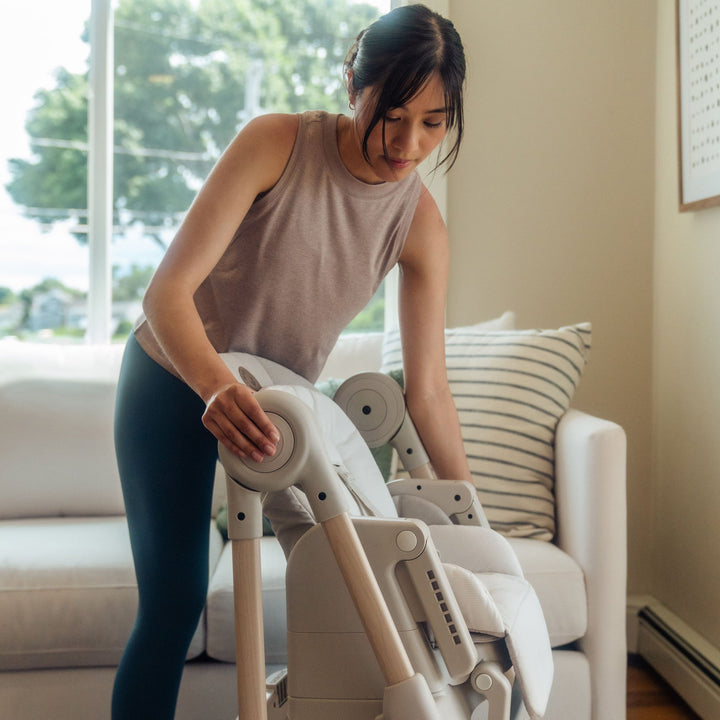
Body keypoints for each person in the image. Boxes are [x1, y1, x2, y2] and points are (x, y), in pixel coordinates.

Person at [111, 4, 471, 718]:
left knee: (344, 601)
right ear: (352, 85)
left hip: (274, 408)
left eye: (433, 122)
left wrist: (467, 509)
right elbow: (167, 294)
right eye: (392, 114)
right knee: (175, 602)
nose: (408, 143)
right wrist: (214, 387)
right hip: (174, 382)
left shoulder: (421, 223)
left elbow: (428, 389)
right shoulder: (276, 142)